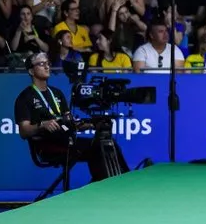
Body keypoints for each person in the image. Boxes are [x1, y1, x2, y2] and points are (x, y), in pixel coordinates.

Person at [14, 52, 129, 182]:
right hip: (46, 145)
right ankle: (104, 186)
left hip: (67, 140)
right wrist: (42, 125)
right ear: (31, 71)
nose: (47, 67)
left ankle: (120, 181)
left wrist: (92, 124)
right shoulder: (25, 98)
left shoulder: (57, 93)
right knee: (97, 147)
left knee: (107, 143)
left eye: (48, 63)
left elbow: (69, 122)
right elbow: (24, 131)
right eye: (41, 64)